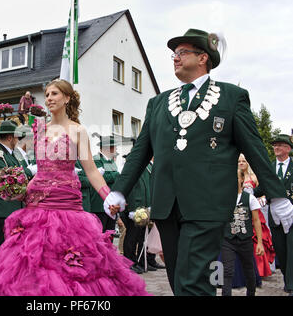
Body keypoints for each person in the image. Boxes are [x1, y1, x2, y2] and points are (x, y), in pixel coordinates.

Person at [105, 28, 293, 296]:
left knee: (193, 279)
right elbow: (141, 151)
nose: (175, 58)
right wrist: (119, 189)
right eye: (173, 54)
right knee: (179, 278)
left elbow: (254, 149)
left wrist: (277, 195)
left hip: (208, 203)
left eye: (182, 53)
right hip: (167, 205)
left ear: (203, 57)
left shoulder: (231, 97)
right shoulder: (158, 103)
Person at [0, 79, 149, 296]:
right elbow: (41, 169)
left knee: (70, 264)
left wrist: (108, 196)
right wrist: (20, 190)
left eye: (54, 94)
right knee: (33, 263)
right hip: (37, 203)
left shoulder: (77, 130)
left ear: (67, 98)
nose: (49, 98)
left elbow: (90, 170)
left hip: (67, 204)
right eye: (47, 94)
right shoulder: (39, 129)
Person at [0, 120, 26, 294]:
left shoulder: (12, 155)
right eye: (16, 137)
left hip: (13, 209)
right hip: (1, 209)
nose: (18, 140)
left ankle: (3, 284)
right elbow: (6, 175)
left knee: (9, 250)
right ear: (10, 137)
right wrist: (29, 172)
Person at [255, 134, 293, 295]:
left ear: (288, 149)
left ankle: (291, 285)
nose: (276, 148)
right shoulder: (269, 167)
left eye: (279, 145)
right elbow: (261, 188)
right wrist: (248, 191)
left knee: (292, 250)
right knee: (281, 251)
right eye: (274, 145)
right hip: (275, 215)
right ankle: (287, 278)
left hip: (291, 213)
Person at [221, 169, 265, 296]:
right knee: (227, 270)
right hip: (227, 239)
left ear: (241, 180)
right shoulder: (223, 197)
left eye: (235, 178)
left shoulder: (249, 198)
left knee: (248, 269)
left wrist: (260, 243)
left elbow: (256, 220)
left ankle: (251, 293)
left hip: (245, 239)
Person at [238, 154, 275, 278]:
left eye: (244, 161)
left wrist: (262, 200)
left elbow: (264, 192)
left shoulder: (254, 177)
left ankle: (260, 270)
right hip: (240, 212)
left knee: (257, 239)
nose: (241, 163)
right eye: (239, 161)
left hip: (254, 210)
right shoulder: (235, 177)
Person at [90, 136, 119, 234]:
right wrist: (116, 174)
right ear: (108, 148)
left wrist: (113, 175)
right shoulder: (96, 160)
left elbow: (112, 177)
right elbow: (102, 178)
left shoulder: (111, 162)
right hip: (99, 205)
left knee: (110, 234)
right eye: (115, 147)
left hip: (111, 205)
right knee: (99, 234)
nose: (116, 149)